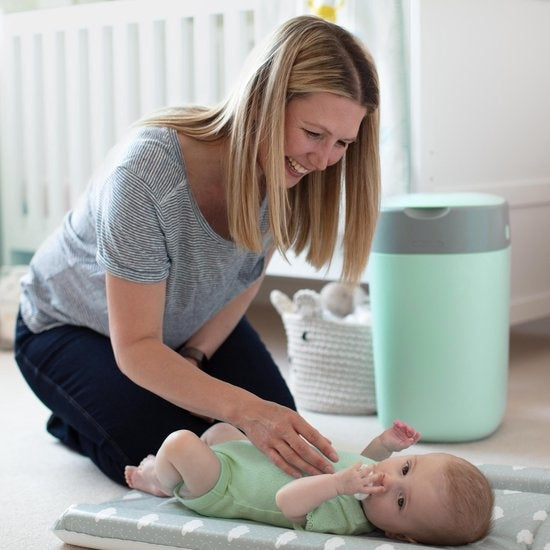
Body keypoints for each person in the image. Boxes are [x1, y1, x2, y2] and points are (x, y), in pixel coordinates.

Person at [13, 15, 381, 485]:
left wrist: (197, 357)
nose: (324, 159)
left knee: (280, 450)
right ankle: (76, 413)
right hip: (69, 327)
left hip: (174, 330)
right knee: (179, 459)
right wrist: (241, 407)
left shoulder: (293, 173)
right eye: (314, 134)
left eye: (343, 143)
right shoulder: (146, 174)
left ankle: (96, 406)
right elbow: (137, 346)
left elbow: (242, 281)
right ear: (264, 101)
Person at [125, 420, 494, 546]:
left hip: (221, 488)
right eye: (407, 468)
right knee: (222, 432)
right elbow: (366, 463)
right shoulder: (371, 479)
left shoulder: (346, 518)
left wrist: (337, 485)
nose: (387, 480)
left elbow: (288, 501)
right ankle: (176, 475)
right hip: (244, 460)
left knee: (180, 443)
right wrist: (385, 446)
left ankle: (158, 479)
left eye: (400, 502)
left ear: (399, 536)